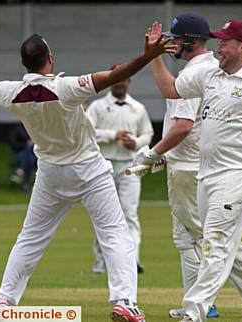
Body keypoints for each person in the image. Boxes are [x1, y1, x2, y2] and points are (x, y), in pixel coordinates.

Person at [0, 23, 175, 322]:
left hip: (50, 172)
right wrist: (147, 56)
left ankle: (4, 302)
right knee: (115, 233)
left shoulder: (10, 91)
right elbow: (115, 75)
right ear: (50, 58)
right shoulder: (67, 87)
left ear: (23, 63)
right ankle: (125, 301)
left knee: (31, 238)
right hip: (89, 170)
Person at [141, 19, 242, 322]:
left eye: (225, 43)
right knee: (221, 241)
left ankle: (194, 311)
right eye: (217, 42)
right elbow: (171, 89)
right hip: (206, 173)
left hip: (238, 173)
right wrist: (153, 56)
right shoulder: (210, 75)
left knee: (214, 241)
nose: (218, 47)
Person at [134, 13, 220, 319]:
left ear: (190, 42)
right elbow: (168, 90)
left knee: (203, 238)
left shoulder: (194, 74)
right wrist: (154, 56)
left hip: (187, 166)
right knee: (189, 239)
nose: (170, 43)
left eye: (175, 38)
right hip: (196, 163)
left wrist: (152, 153)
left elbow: (182, 125)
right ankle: (197, 302)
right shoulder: (207, 68)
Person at [87, 65, 154, 274]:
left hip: (130, 166)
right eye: (116, 79)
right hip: (103, 165)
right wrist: (113, 135)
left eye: (124, 79)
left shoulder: (138, 108)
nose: (120, 83)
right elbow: (86, 133)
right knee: (104, 215)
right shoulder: (98, 106)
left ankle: (132, 260)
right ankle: (102, 261)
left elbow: (148, 134)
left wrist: (134, 143)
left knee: (129, 213)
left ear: (129, 82)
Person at [8, 123, 36, 192]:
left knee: (30, 155)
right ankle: (26, 185)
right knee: (30, 158)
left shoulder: (35, 128)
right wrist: (26, 144)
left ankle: (20, 171)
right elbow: (14, 144)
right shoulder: (17, 129)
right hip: (19, 154)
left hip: (34, 154)